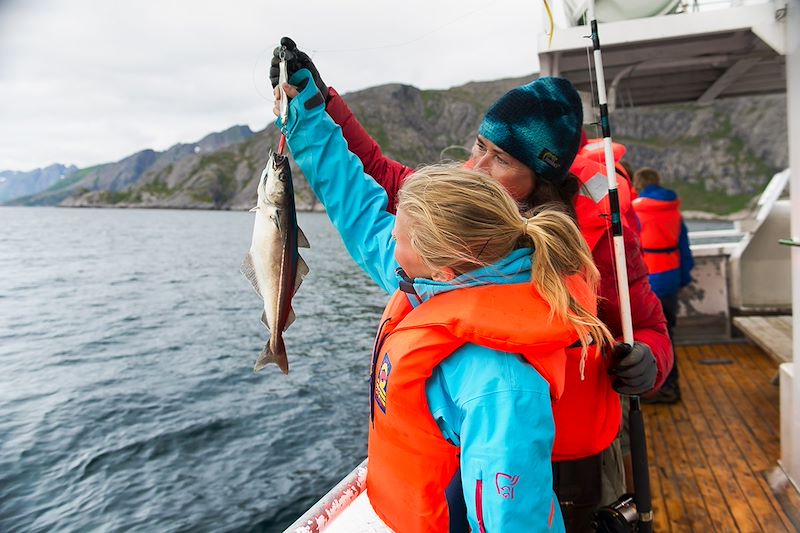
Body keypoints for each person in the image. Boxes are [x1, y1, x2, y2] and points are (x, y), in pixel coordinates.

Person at [271, 40, 673, 532]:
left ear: (540, 178)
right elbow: (375, 189)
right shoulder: (450, 228)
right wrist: (318, 108)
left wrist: (650, 360)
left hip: (571, 465)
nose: (477, 167)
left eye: (500, 158)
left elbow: (651, 325)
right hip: (467, 451)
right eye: (480, 146)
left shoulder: (603, 243)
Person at [632, 167, 694, 404]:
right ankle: (670, 386)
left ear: (639, 184)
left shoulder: (636, 210)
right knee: (668, 335)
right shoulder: (674, 212)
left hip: (647, 279)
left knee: (648, 336)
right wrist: (682, 279)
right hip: (670, 279)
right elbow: (684, 249)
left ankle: (654, 388)